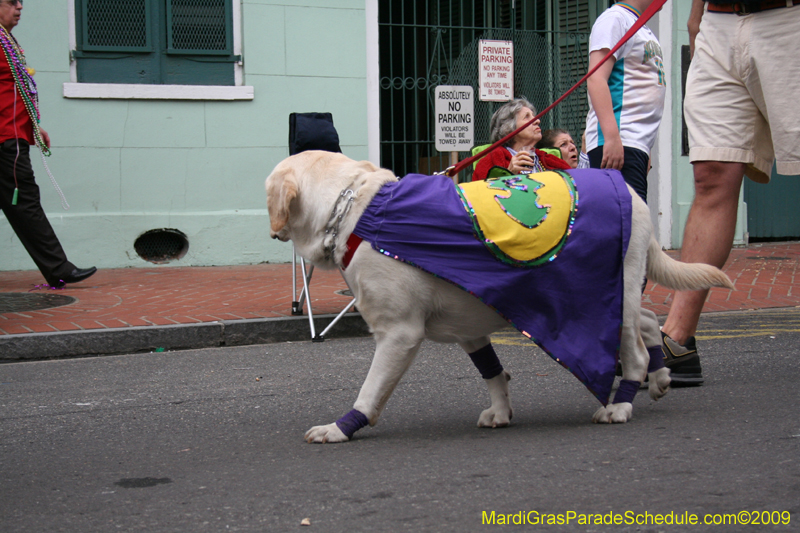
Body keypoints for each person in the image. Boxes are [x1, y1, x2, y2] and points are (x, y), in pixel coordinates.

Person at [660, 0, 800, 385]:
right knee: (711, 171)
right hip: (718, 21)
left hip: (790, 18)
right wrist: (696, 12)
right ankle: (678, 339)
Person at [584, 0, 669, 382]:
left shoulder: (645, 27)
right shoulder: (614, 18)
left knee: (629, 247)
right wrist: (612, 136)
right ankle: (619, 342)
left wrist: (642, 150)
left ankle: (626, 337)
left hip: (634, 147)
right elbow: (597, 77)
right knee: (624, 248)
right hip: (616, 144)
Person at [0, 0, 96, 287]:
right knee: (25, 204)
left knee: (23, 204)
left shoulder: (7, 42)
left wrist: (33, 125)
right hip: (6, 140)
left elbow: (13, 91)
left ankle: (58, 268)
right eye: (11, 2)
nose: (19, 7)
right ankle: (58, 268)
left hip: (13, 134)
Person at [472, 98, 571, 182]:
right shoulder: (489, 162)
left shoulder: (550, 160)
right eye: (527, 117)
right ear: (508, 129)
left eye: (533, 116)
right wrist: (509, 174)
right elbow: (482, 197)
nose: (537, 120)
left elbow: (574, 185)